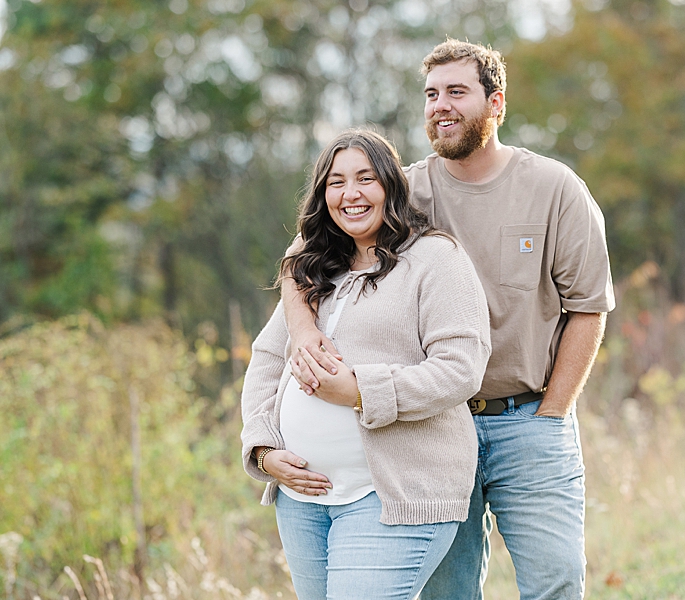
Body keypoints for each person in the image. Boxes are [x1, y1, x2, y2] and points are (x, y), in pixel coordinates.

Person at [284, 40, 616, 600]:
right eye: (432, 94)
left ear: (496, 103)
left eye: (457, 92)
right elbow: (302, 256)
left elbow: (588, 307)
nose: (441, 106)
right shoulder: (404, 190)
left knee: (555, 581)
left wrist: (552, 413)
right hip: (431, 428)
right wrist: (302, 330)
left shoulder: (555, 189)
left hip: (526, 417)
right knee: (447, 593)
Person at [241, 129, 492, 600]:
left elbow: (461, 368)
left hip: (393, 496)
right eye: (335, 183)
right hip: (302, 501)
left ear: (391, 186)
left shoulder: (436, 259)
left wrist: (360, 391)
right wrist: (262, 447)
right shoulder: (317, 266)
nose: (350, 194)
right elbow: (269, 359)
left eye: (365, 179)